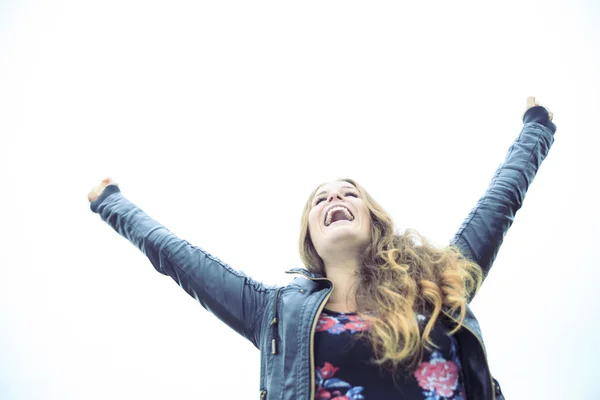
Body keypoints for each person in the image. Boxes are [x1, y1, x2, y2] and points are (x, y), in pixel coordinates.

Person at [88, 97, 556, 400]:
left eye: (349, 193)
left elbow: (498, 204)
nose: (334, 198)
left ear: (374, 220)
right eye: (320, 198)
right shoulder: (274, 311)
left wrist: (536, 128)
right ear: (309, 235)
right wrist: (111, 203)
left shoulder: (438, 283)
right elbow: (179, 258)